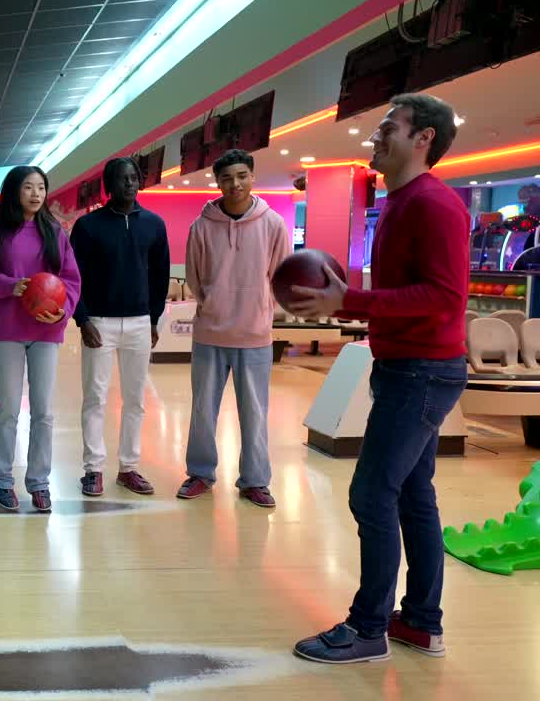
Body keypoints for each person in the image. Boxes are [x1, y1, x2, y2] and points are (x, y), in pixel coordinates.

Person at [290, 94, 469, 663]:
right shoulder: (400, 201)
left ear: (423, 140)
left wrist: (352, 301)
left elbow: (444, 297)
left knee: (372, 494)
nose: (375, 136)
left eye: (389, 127)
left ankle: (368, 629)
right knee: (414, 495)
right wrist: (348, 306)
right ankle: (419, 622)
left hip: (422, 371)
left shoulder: (434, 204)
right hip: (407, 366)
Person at [179, 149, 289, 509]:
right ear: (218, 182)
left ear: (252, 177)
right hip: (211, 334)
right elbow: (195, 278)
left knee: (256, 413)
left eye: (241, 176)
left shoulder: (272, 224)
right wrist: (213, 304)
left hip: (255, 336)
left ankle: (255, 481)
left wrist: (259, 309)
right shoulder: (202, 226)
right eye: (227, 178)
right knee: (202, 411)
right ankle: (200, 473)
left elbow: (280, 275)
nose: (235, 184)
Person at [0, 166, 81, 513]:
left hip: (46, 330)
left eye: (41, 187)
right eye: (28, 187)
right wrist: (9, 286)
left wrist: (63, 312)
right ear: (14, 190)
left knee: (44, 411)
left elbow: (71, 279)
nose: (36, 193)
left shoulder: (55, 232)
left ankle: (39, 482)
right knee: (8, 409)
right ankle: (1, 479)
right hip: (7, 330)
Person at [69, 156, 171, 497]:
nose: (129, 183)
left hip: (141, 323)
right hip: (99, 322)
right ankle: (93, 469)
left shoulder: (154, 225)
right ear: (108, 186)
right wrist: (82, 319)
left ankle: (128, 467)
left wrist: (154, 319)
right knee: (95, 397)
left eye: (133, 177)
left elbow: (159, 276)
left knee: (135, 399)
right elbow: (73, 277)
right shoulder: (88, 227)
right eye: (121, 178)